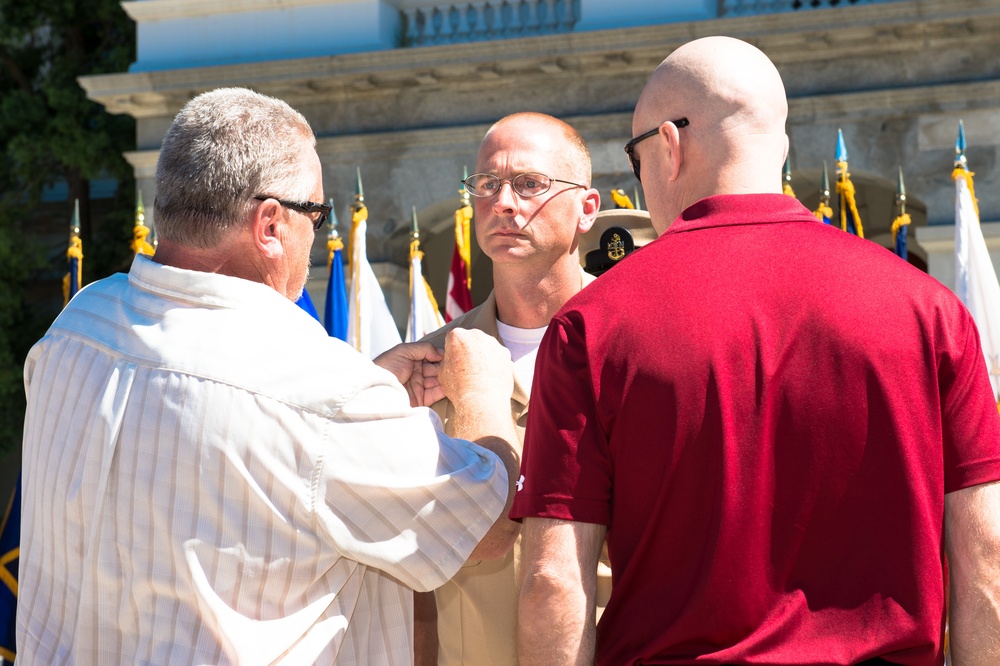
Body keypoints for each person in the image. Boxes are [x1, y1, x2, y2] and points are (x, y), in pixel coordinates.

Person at [511, 36, 1000, 665]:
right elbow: (985, 553)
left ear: (669, 144)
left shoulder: (593, 325)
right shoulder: (932, 313)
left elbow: (556, 577)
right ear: (781, 146)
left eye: (635, 161)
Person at [17, 87, 520, 666]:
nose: (317, 234)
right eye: (318, 214)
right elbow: (489, 524)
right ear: (271, 225)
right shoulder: (321, 393)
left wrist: (366, 402)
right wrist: (483, 393)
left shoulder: (76, 326)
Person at [414, 112, 600, 666]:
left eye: (529, 185)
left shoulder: (639, 346)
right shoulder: (429, 359)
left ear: (587, 208)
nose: (504, 203)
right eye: (488, 185)